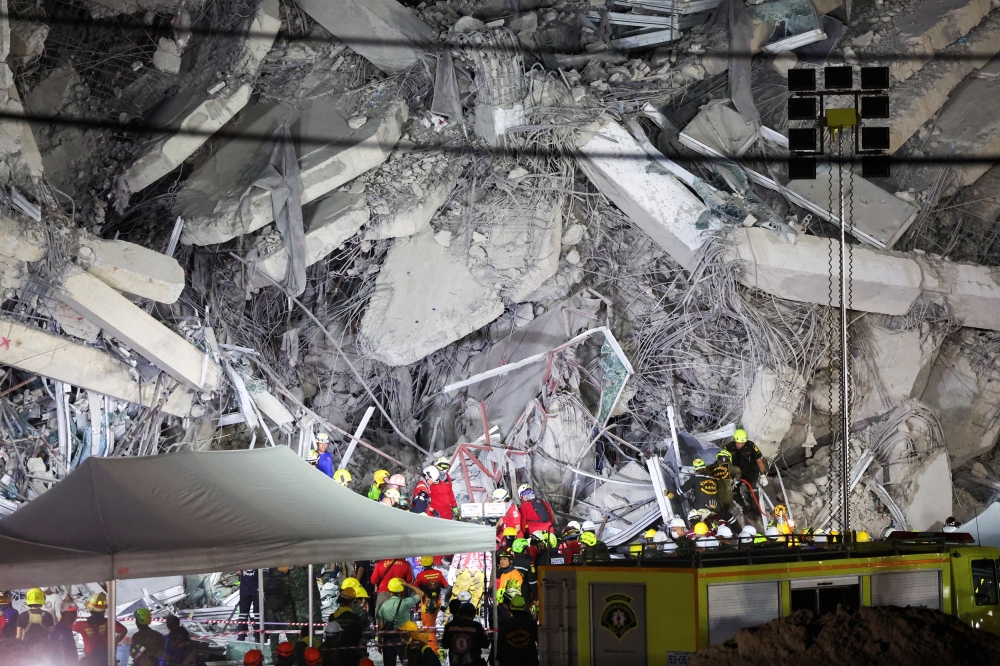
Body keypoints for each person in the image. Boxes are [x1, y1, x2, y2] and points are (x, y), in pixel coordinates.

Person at [374, 578, 420, 666]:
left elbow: (380, 627)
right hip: (403, 638)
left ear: (390, 591)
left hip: (388, 640)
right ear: (401, 591)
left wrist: (380, 644)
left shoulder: (383, 606)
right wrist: (407, 585)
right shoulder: (406, 602)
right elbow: (420, 593)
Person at [73, 592, 127, 666]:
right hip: (106, 659)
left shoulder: (81, 625)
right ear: (103, 611)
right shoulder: (109, 623)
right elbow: (123, 630)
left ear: (90, 610)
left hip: (92, 661)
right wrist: (115, 643)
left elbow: (67, 627)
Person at [726, 429, 768, 514]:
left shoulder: (751, 445)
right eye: (739, 443)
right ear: (735, 440)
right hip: (737, 473)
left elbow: (759, 460)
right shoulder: (728, 447)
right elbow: (724, 463)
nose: (741, 445)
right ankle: (743, 509)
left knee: (753, 489)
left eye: (743, 443)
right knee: (734, 490)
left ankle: (756, 511)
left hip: (751, 471)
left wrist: (762, 475)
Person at [413, 557, 447, 653]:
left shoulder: (420, 575)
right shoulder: (439, 573)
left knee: (429, 627)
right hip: (437, 602)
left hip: (426, 604)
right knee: (432, 626)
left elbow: (415, 588)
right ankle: (430, 648)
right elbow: (446, 586)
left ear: (423, 564)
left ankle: (433, 650)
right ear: (432, 563)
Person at [497, 595, 538, 666]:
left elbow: (501, 646)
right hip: (530, 660)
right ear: (524, 607)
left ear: (511, 608)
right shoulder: (531, 623)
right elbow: (540, 640)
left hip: (511, 661)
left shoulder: (506, 625)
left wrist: (500, 660)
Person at [708, 449, 741, 514]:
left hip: (713, 496)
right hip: (727, 496)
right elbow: (737, 470)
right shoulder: (728, 466)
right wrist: (735, 481)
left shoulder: (710, 467)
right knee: (726, 514)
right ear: (728, 458)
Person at [50, 598, 79, 664]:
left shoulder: (67, 628)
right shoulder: (58, 631)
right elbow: (58, 654)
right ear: (63, 614)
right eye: (70, 613)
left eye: (75, 613)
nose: (74, 616)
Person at [510, 538, 536, 604]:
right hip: (524, 598)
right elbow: (532, 583)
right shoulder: (529, 564)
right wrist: (536, 598)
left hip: (510, 597)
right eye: (527, 548)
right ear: (524, 550)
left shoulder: (509, 563)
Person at [237, 569, 260, 641]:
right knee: (243, 614)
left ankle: (258, 635)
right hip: (246, 588)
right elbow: (238, 571)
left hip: (255, 588)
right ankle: (242, 635)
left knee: (257, 614)